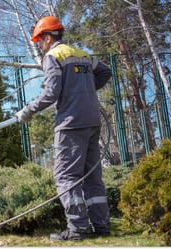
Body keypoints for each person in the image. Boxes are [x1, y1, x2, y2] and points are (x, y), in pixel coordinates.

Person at [15, 16, 112, 241]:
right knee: (91, 176)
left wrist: (28, 110)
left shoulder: (53, 57)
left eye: (39, 40)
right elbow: (105, 71)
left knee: (66, 176)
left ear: (48, 38)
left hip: (70, 123)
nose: (39, 46)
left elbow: (51, 93)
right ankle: (101, 226)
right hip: (91, 120)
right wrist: (85, 90)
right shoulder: (81, 54)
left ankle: (78, 228)